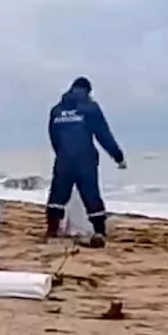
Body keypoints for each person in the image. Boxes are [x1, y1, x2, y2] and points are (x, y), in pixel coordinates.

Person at [44, 76, 126, 248]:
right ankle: (99, 230)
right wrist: (118, 156)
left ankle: (52, 230)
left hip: (63, 158)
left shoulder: (57, 110)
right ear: (88, 91)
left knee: (58, 194)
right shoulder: (90, 108)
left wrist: (62, 153)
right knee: (91, 193)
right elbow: (103, 133)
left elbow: (53, 136)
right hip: (85, 158)